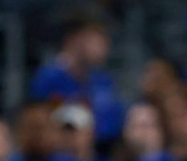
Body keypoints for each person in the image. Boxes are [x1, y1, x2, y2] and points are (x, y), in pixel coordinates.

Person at [29, 14, 125, 143]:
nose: (105, 46)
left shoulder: (104, 80)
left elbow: (116, 124)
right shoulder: (47, 80)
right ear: (76, 39)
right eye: (97, 39)